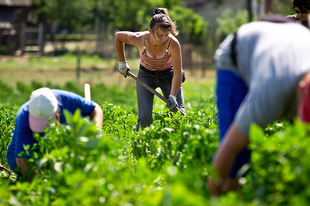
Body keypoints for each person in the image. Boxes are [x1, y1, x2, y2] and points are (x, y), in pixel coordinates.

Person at [208, 20, 310, 195]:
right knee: (237, 151)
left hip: (285, 41)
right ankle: (230, 192)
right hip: (237, 54)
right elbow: (229, 147)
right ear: (299, 90)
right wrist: (210, 197)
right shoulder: (273, 91)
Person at [6, 87, 103, 181]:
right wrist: (42, 184)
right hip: (21, 153)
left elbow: (95, 109)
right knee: (24, 172)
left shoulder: (67, 100)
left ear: (56, 110)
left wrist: (95, 132)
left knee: (82, 121)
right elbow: (22, 161)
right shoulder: (23, 116)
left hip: (59, 146)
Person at [115, 8, 185, 131]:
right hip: (145, 75)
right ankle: (140, 147)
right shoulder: (140, 39)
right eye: (159, 35)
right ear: (150, 31)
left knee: (178, 114)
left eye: (166, 35)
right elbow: (118, 37)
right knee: (144, 117)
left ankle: (176, 145)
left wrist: (173, 96)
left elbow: (178, 72)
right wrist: (122, 62)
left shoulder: (173, 44)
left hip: (168, 75)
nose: (164, 39)